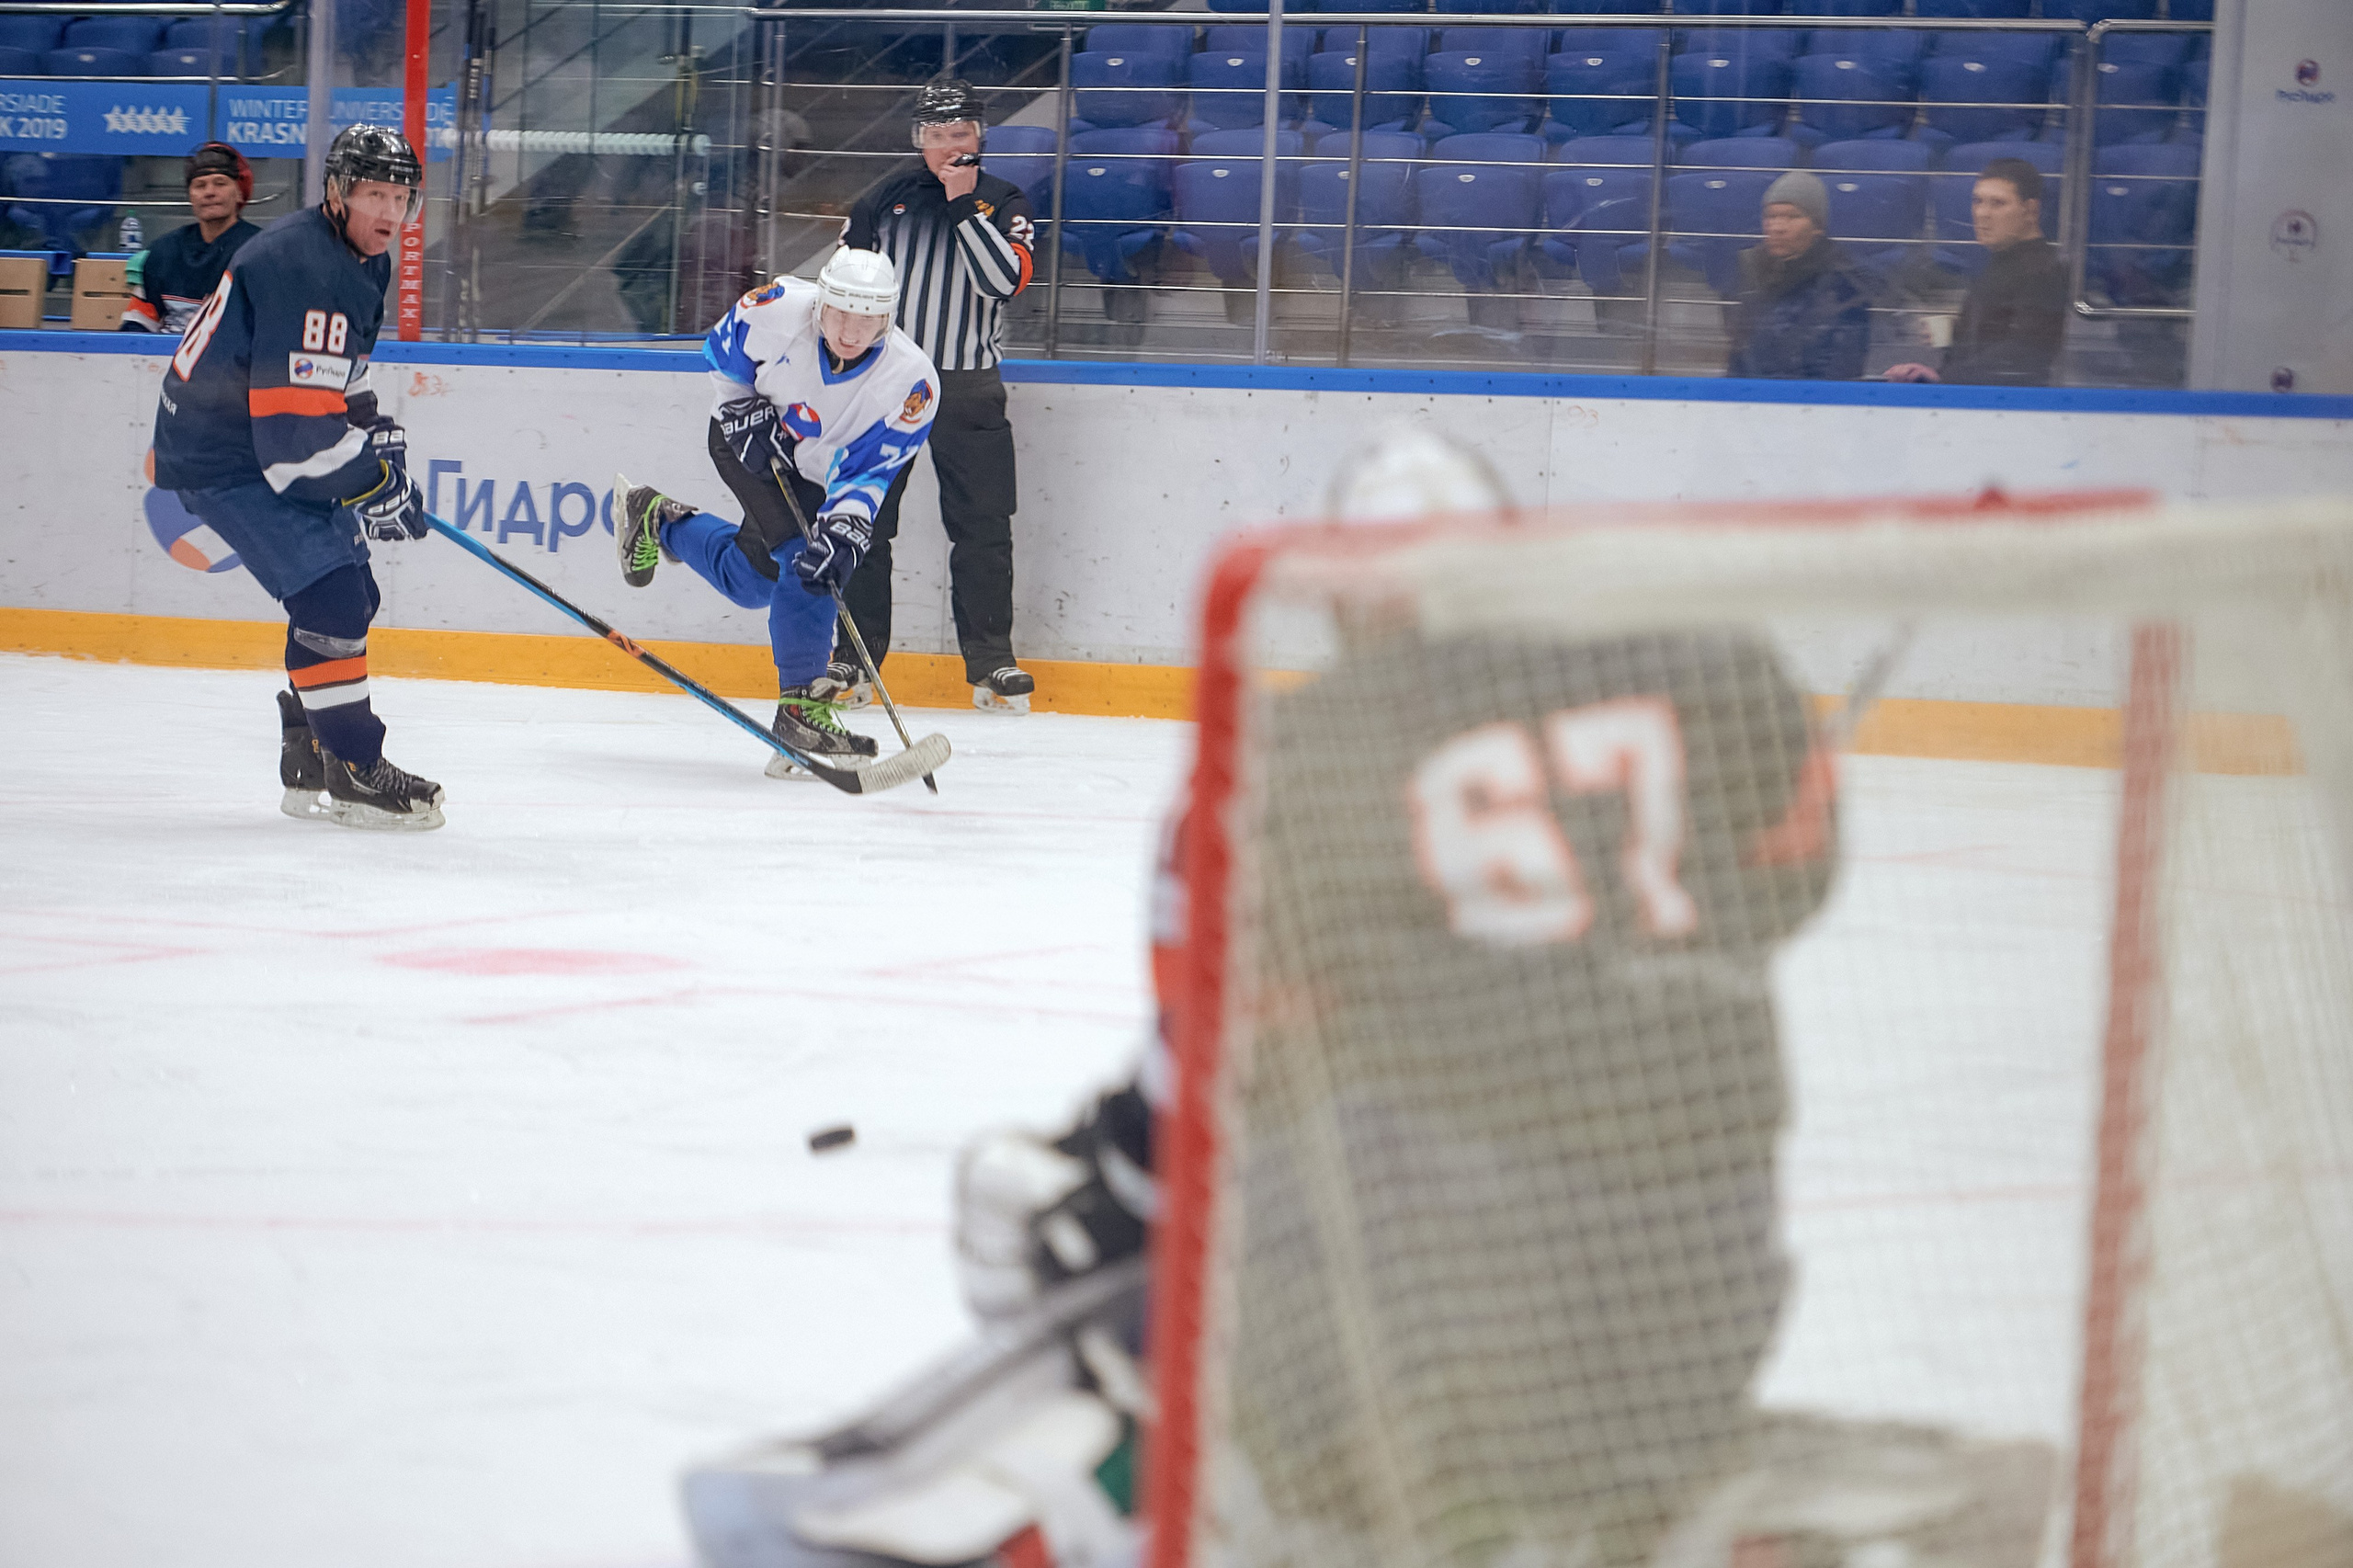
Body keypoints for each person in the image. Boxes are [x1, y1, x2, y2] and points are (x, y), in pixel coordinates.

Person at [678, 432, 1845, 1568]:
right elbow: (1795, 868)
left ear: (1343, 600)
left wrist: (1099, 1185)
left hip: (1429, 1331)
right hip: (1705, 1311)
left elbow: (1209, 1072)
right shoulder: (1698, 683)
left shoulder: (1293, 762)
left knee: (1066, 1217)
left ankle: (1132, 1513)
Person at [153, 124, 443, 830]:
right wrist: (375, 483)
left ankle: (311, 751)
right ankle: (354, 767)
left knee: (355, 593)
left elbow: (340, 374)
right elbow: (292, 442)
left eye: (400, 197)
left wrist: (372, 430)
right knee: (332, 599)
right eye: (374, 194)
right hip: (224, 454)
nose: (388, 212)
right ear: (337, 193)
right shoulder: (304, 265)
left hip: (255, 435)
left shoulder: (361, 258)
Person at [610, 247, 939, 779]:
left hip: (816, 476)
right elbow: (723, 350)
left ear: (889, 317)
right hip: (747, 442)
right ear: (822, 303)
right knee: (800, 560)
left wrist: (845, 531)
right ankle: (800, 713)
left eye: (867, 320)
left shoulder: (912, 383)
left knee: (754, 581)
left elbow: (870, 473)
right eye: (841, 315)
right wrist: (740, 405)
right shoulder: (779, 308)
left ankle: (656, 520)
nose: (851, 332)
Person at [838, 78, 1040, 716]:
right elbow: (842, 288)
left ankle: (992, 660)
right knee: (863, 523)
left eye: (961, 133)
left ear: (981, 137)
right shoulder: (883, 200)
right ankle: (854, 658)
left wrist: (962, 205)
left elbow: (1002, 282)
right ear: (917, 139)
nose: (950, 145)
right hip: (884, 386)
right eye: (936, 134)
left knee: (983, 527)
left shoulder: (1004, 201)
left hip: (968, 388)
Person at [1884, 158, 2070, 387]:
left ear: (2031, 210)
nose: (1982, 213)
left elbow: (2024, 355)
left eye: (1998, 203)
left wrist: (1943, 378)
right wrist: (1937, 364)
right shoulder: (2001, 261)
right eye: (1977, 201)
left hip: (2008, 403)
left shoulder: (2043, 271)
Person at [1725, 170, 1873, 381]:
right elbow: (1739, 355)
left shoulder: (1844, 280)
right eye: (1771, 216)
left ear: (1817, 227)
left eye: (1792, 216)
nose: (1777, 227)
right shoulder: (1749, 270)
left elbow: (1842, 366)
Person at [120, 142, 261, 335]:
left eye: (220, 183)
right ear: (190, 197)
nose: (209, 192)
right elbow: (136, 325)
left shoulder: (260, 251)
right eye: (200, 185)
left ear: (239, 193)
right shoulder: (164, 251)